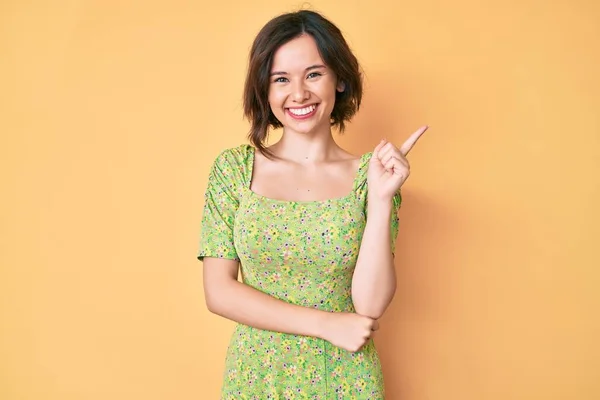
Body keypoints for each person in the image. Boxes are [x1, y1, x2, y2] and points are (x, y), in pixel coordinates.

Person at [197, 9, 427, 399]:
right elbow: (219, 292)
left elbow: (369, 305)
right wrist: (326, 324)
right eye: (281, 79)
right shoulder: (233, 170)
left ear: (339, 79)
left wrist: (382, 199)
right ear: (264, 90)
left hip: (344, 375)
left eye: (314, 74)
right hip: (258, 376)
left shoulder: (370, 177)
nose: (298, 93)